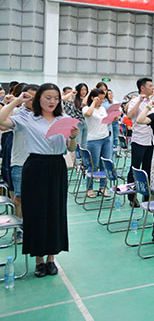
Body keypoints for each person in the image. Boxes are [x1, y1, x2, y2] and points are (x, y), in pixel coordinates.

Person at [0, 84, 79, 278]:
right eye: (47, 97)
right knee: (35, 212)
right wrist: (17, 101)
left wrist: (73, 138)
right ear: (38, 99)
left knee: (55, 212)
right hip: (35, 166)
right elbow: (1, 120)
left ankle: (51, 258)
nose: (52, 102)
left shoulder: (64, 119)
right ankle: (39, 260)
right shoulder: (27, 118)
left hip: (57, 167)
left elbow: (71, 148)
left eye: (56, 98)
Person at [8, 84, 38, 239]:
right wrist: (16, 101)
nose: (32, 100)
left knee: (36, 199)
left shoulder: (44, 115)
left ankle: (33, 227)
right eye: (29, 97)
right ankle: (19, 229)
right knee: (19, 198)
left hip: (39, 162)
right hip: (20, 162)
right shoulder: (18, 113)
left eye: (35, 97)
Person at [126, 78, 154, 206]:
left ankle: (146, 195)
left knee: (148, 169)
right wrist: (139, 101)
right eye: (150, 86)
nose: (152, 88)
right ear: (142, 88)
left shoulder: (153, 102)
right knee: (135, 169)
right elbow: (130, 115)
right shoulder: (134, 101)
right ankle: (132, 196)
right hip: (139, 140)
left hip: (151, 140)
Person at [83, 88, 117, 198]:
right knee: (93, 165)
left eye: (103, 99)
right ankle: (89, 188)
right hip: (93, 140)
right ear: (93, 98)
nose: (102, 101)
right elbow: (88, 114)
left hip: (105, 138)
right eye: (100, 99)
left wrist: (113, 119)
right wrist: (93, 102)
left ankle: (103, 187)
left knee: (105, 164)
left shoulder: (102, 109)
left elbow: (105, 123)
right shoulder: (86, 108)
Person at [62, 83, 88, 155]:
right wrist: (71, 94)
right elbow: (66, 106)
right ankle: (76, 159)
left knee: (84, 145)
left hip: (84, 123)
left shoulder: (87, 100)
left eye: (85, 90)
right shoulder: (74, 99)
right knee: (77, 144)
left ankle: (83, 160)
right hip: (76, 124)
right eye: (82, 90)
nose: (84, 91)